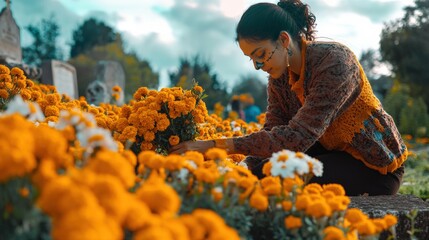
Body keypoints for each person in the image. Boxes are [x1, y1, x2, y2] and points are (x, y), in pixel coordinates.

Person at [170, 0, 407, 196]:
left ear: (284, 40)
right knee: (262, 171)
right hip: (329, 152)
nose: (257, 66)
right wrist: (246, 166)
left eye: (261, 55)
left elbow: (298, 136)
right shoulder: (280, 76)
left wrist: (216, 145)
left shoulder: (335, 63)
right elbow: (274, 129)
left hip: (375, 166)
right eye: (251, 59)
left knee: (284, 181)